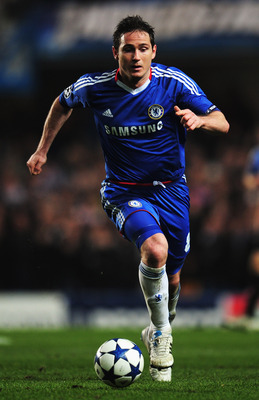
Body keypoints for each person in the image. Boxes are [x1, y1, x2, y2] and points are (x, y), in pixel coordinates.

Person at [27, 15, 229, 381]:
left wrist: (201, 121)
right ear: (116, 54)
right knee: (154, 250)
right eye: (127, 49)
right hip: (122, 191)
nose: (135, 56)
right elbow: (62, 103)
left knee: (174, 277)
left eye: (142, 49)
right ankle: (163, 336)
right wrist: (42, 151)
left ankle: (156, 328)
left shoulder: (173, 83)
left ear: (154, 52)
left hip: (172, 191)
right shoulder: (95, 87)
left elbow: (222, 121)